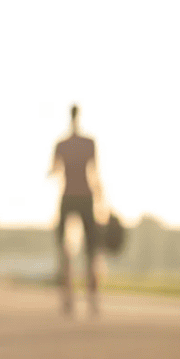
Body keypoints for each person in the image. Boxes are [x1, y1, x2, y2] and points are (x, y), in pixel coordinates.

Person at [50, 104, 102, 317]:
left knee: (64, 248)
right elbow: (95, 172)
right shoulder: (89, 143)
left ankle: (68, 297)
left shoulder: (61, 144)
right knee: (91, 250)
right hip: (86, 196)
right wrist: (101, 201)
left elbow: (54, 170)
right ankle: (92, 296)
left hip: (69, 195)